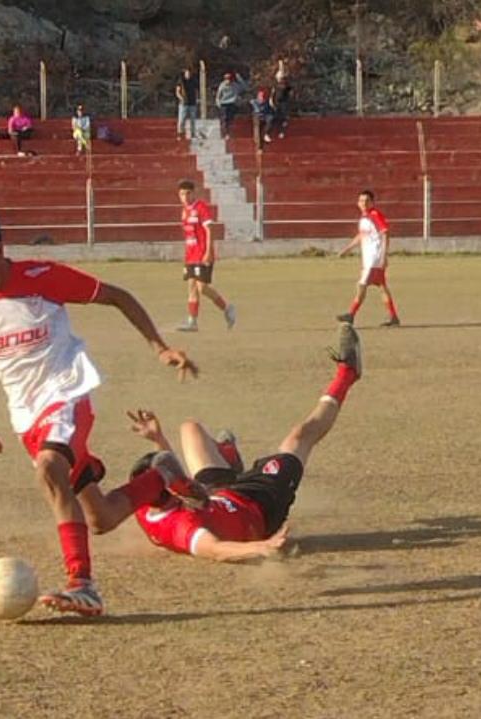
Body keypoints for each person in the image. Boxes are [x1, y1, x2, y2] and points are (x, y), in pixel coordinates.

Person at [0, 210, 199, 616]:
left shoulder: (43, 277)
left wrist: (160, 348)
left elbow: (119, 296)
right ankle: (161, 477)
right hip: (25, 415)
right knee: (100, 518)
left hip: (68, 393)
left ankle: (82, 583)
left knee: (49, 467)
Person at [125, 322, 363, 562]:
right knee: (299, 437)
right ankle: (347, 374)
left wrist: (158, 438)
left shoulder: (146, 502)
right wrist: (262, 547)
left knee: (190, 429)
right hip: (257, 507)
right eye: (179, 479)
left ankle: (229, 459)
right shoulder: (185, 528)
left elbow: (167, 476)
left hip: (219, 496)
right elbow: (217, 549)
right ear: (170, 491)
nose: (185, 477)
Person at [176, 179, 236, 332]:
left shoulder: (201, 207)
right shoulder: (184, 211)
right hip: (190, 255)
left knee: (201, 288)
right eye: (182, 194)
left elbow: (209, 230)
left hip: (202, 254)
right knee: (191, 286)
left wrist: (209, 251)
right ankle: (192, 322)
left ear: (194, 193)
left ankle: (227, 308)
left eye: (188, 193)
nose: (185, 197)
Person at [336, 190, 400, 327]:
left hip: (374, 259)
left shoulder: (374, 215)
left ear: (372, 202)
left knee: (361, 285)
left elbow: (385, 233)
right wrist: (346, 249)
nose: (363, 203)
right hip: (370, 259)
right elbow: (361, 236)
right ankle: (393, 316)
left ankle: (351, 315)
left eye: (366, 201)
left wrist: (383, 256)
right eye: (361, 201)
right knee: (382, 286)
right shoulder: (364, 218)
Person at [215, 71, 247, 140]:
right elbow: (218, 95)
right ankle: (224, 134)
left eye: (229, 80)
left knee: (230, 119)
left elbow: (244, 87)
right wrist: (218, 102)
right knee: (224, 119)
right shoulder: (222, 85)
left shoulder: (235, 85)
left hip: (232, 104)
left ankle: (229, 133)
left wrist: (239, 78)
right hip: (224, 104)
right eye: (227, 80)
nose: (228, 81)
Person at [176, 67, 199, 141]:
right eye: (187, 73)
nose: (188, 75)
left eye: (189, 73)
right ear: (185, 74)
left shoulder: (193, 81)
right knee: (182, 120)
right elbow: (177, 92)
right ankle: (180, 134)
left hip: (192, 103)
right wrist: (181, 98)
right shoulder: (181, 81)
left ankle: (193, 134)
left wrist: (196, 98)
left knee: (193, 120)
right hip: (184, 103)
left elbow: (196, 90)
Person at [269, 68, 292, 139]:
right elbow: (272, 94)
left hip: (283, 104)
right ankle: (269, 133)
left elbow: (290, 94)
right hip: (276, 104)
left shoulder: (287, 86)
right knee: (274, 118)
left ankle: (281, 132)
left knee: (283, 119)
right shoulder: (275, 86)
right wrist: (271, 102)